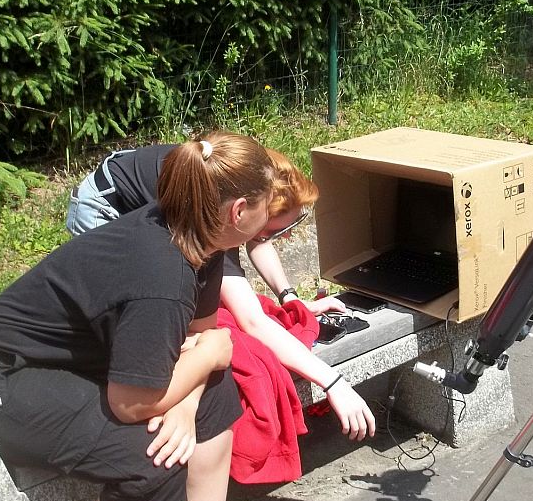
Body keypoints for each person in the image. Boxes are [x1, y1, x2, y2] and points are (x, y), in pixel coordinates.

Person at [0, 133, 273, 501]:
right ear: (238, 212)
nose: (269, 210)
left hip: (71, 361)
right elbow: (131, 403)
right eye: (267, 201)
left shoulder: (199, 236)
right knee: (152, 462)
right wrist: (209, 356)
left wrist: (186, 403)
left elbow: (199, 339)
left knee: (215, 394)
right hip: (4, 375)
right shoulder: (163, 277)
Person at [66, 145, 377, 467]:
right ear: (241, 213)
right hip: (106, 203)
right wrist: (333, 382)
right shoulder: (215, 218)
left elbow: (258, 240)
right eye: (277, 230)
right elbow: (252, 321)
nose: (283, 238)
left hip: (151, 189)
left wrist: (289, 297)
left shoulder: (244, 189)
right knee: (142, 324)